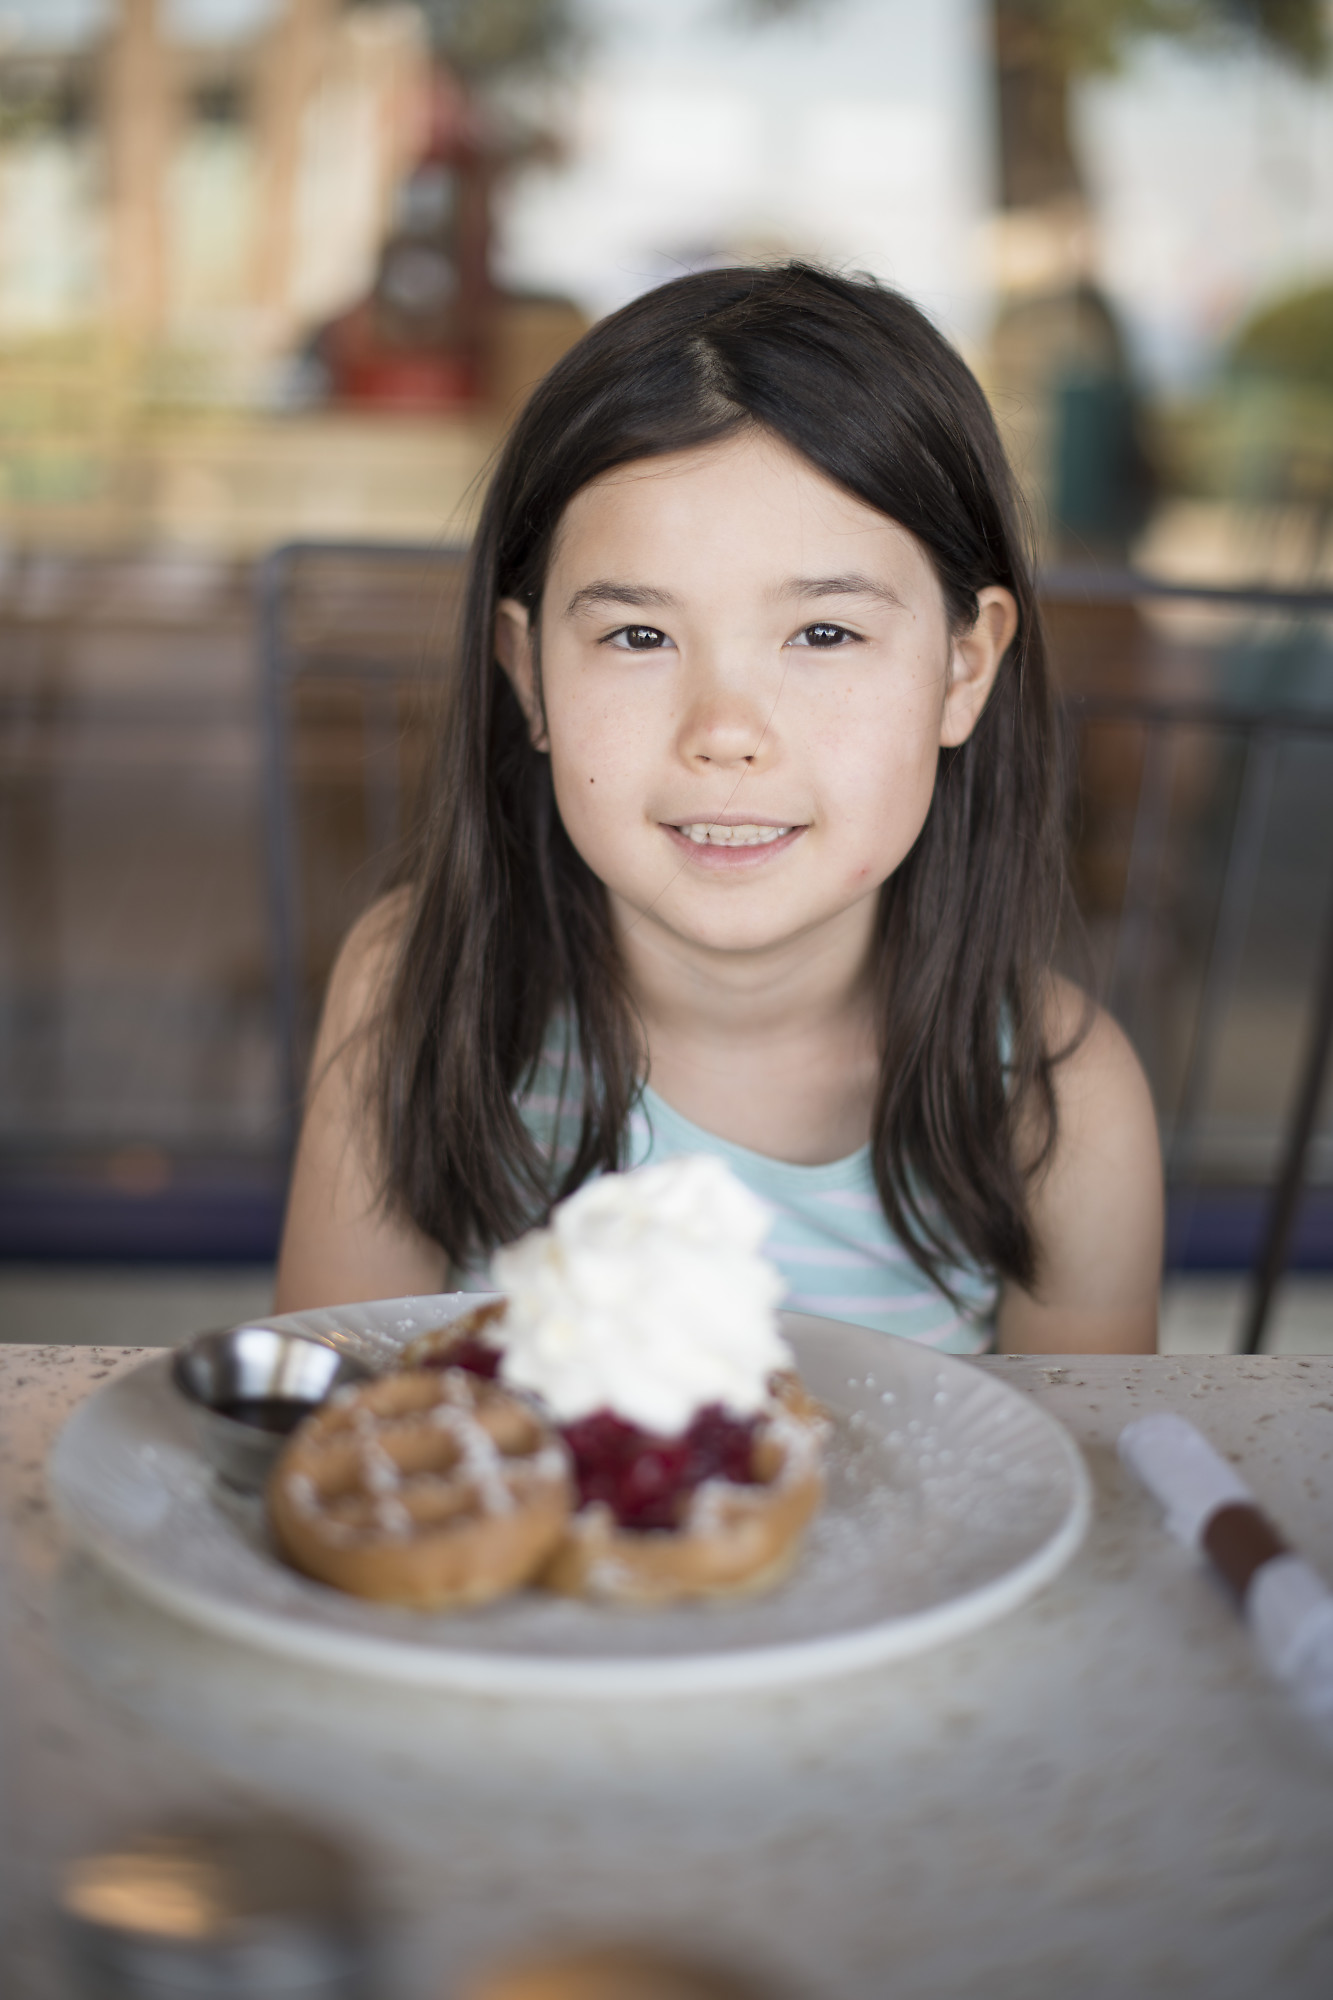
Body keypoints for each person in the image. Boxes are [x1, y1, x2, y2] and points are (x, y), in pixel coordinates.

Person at [275, 264, 1161, 1355]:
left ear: (962, 669)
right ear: (529, 675)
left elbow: (1079, 1459)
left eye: (824, 634)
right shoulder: (418, 992)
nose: (726, 729)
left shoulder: (1057, 1102)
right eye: (638, 636)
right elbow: (331, 1416)